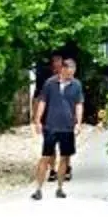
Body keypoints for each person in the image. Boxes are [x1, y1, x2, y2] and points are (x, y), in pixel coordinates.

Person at [32, 54, 84, 200]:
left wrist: (78, 123)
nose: (71, 74)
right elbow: (42, 102)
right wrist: (37, 121)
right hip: (51, 126)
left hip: (67, 127)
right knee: (45, 157)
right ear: (63, 69)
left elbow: (79, 104)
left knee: (64, 158)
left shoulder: (76, 85)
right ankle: (38, 189)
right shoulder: (50, 83)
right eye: (69, 71)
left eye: (73, 71)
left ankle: (60, 188)